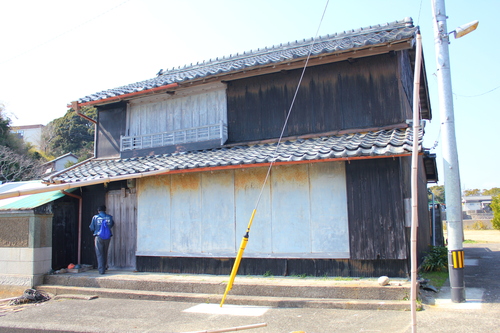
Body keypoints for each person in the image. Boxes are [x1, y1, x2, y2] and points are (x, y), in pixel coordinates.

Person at [89, 205, 114, 274]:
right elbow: (111, 225)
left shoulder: (95, 217)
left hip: (99, 236)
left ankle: (101, 270)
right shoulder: (109, 217)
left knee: (99, 253)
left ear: (98, 211)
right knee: (105, 252)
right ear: (105, 210)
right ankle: (105, 267)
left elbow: (92, 227)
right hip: (107, 237)